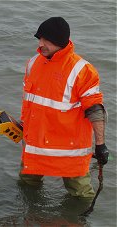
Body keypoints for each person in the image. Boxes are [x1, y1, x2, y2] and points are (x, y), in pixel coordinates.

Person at [19, 17, 109, 198]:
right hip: (35, 147)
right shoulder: (33, 63)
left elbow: (95, 109)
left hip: (69, 151)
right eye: (39, 38)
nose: (41, 44)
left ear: (60, 41)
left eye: (46, 40)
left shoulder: (82, 70)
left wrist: (100, 145)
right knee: (26, 188)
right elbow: (30, 102)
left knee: (81, 196)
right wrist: (22, 125)